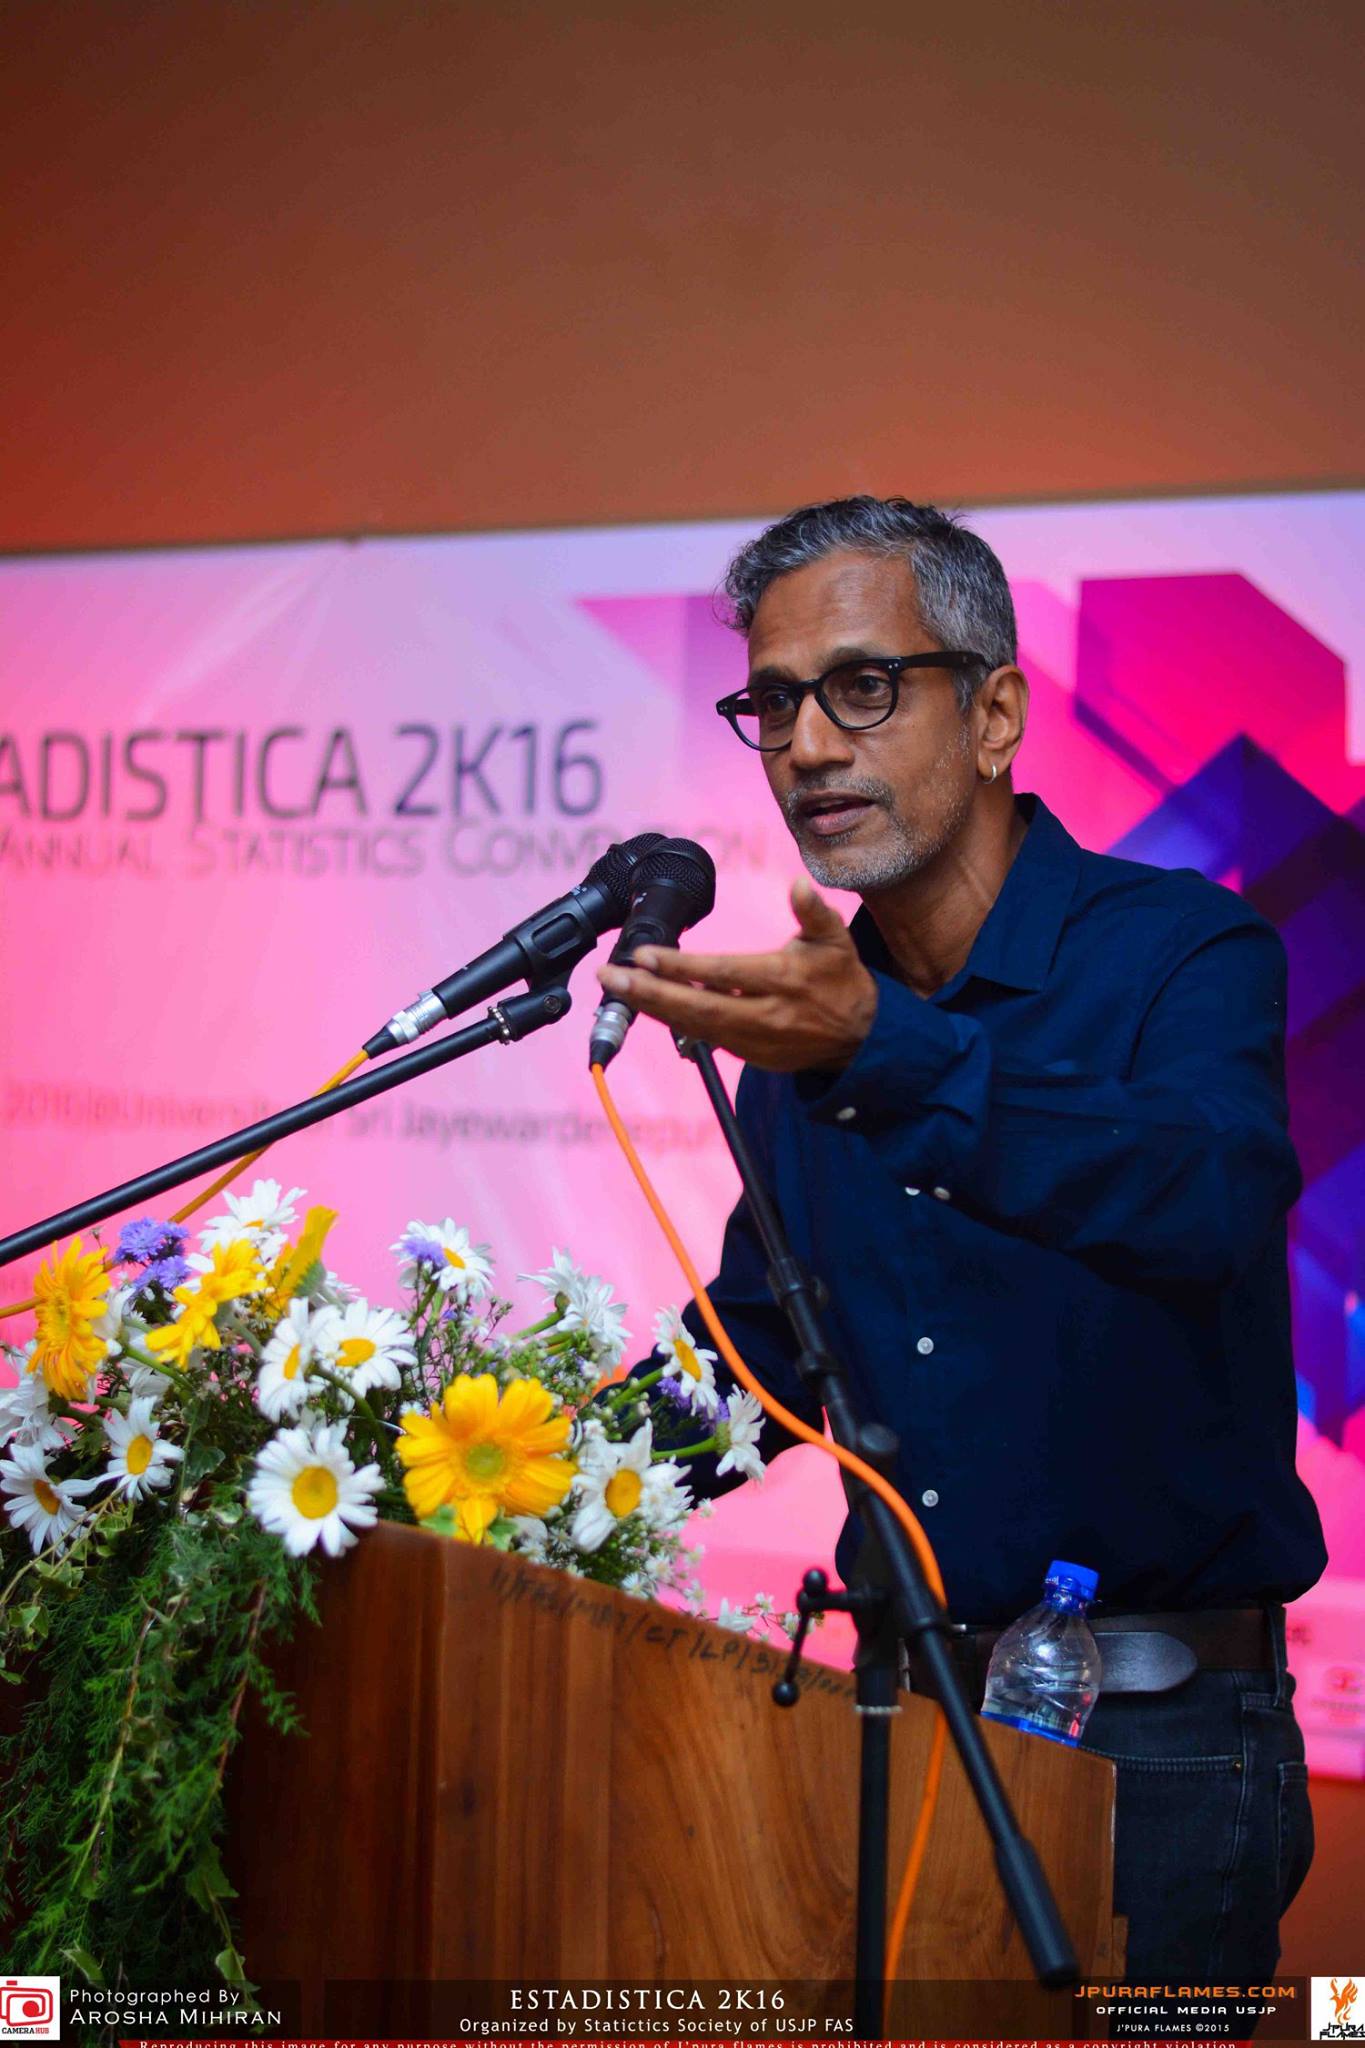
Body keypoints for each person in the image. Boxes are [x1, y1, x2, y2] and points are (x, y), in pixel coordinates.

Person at [597, 495, 1326, 1981]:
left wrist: (886, 1055)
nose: (807, 746)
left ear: (994, 715)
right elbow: (762, 1361)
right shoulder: (816, 1029)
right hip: (896, 1722)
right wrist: (469, 1479)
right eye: (774, 704)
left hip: (1162, 1746)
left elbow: (1204, 1195)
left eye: (863, 687)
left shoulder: (1182, 950)